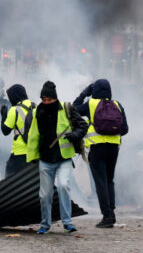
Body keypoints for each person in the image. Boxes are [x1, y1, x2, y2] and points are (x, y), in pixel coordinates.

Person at [26, 81, 87, 234]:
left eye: (49, 100)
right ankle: (45, 224)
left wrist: (75, 135)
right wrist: (32, 156)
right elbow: (33, 136)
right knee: (44, 195)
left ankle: (67, 222)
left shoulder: (67, 108)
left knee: (63, 186)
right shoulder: (36, 112)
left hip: (63, 158)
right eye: (44, 100)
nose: (46, 103)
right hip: (45, 159)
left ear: (55, 98)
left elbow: (83, 125)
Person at [73, 78, 128, 228]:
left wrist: (84, 93)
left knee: (100, 183)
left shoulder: (91, 104)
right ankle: (112, 212)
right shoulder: (117, 105)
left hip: (97, 148)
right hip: (113, 148)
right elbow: (125, 129)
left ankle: (107, 216)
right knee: (109, 181)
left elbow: (73, 109)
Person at [1, 84, 34, 178]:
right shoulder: (35, 107)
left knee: (9, 180)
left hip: (19, 153)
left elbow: (5, 131)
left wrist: (3, 115)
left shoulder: (14, 110)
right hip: (34, 152)